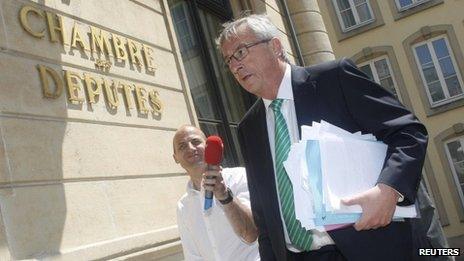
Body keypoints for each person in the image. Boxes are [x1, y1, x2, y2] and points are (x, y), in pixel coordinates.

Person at [217, 14, 429, 260]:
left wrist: (389, 190)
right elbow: (265, 218)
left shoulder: (333, 80)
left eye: (241, 52)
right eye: (228, 60)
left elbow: (408, 131)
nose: (235, 66)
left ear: (275, 46)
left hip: (367, 247)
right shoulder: (248, 128)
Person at [173, 125, 260, 261]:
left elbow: (251, 234)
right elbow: (193, 257)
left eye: (195, 142)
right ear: (176, 158)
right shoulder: (183, 206)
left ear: (208, 146)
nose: (190, 148)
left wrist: (225, 196)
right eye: (182, 146)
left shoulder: (239, 177)